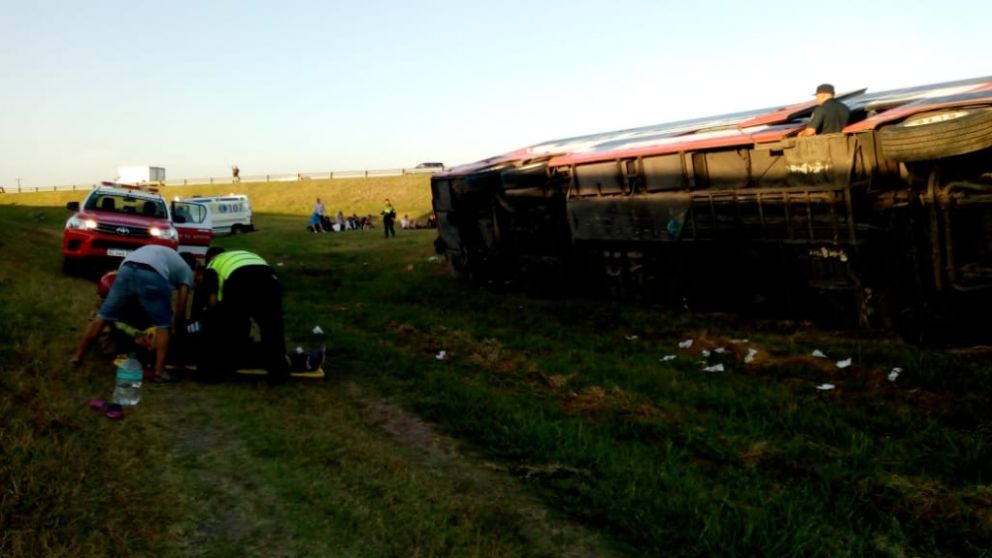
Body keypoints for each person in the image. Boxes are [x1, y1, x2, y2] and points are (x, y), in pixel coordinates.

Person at [71, 245, 196, 380]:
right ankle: (159, 372)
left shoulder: (168, 256)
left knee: (103, 316)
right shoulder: (187, 271)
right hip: (152, 272)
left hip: (126, 267)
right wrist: (179, 329)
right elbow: (181, 308)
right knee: (163, 325)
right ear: (194, 269)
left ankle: (77, 357)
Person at [197, 247, 288, 383]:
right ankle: (278, 372)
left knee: (229, 324)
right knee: (272, 326)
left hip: (239, 278)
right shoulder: (244, 255)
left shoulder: (212, 265)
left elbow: (212, 301)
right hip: (269, 277)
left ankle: (214, 370)